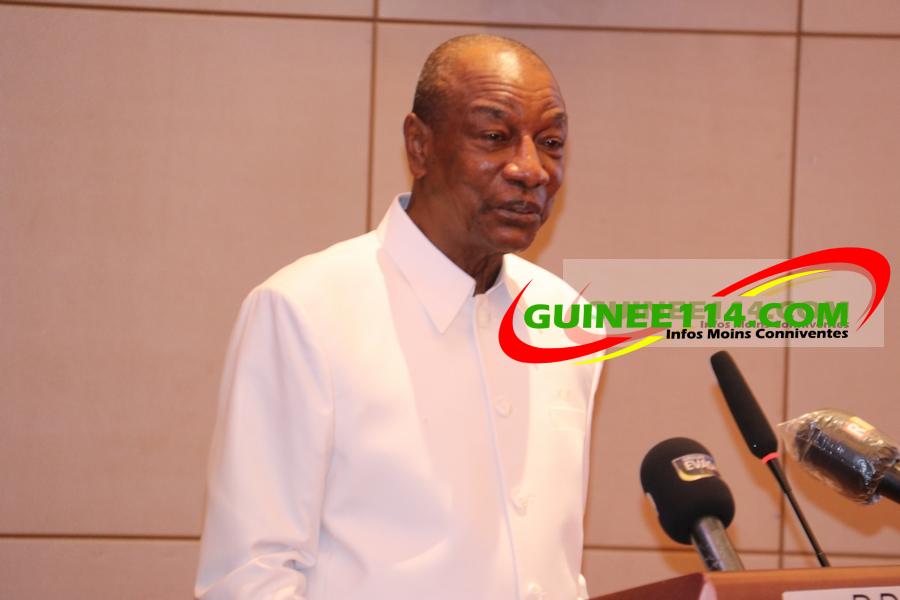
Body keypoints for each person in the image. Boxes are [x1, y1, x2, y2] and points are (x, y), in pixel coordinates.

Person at [195, 34, 602, 600]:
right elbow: (250, 576)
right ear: (419, 145)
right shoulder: (305, 312)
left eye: (551, 143)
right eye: (494, 137)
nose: (531, 169)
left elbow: (553, 565)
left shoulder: (569, 320)